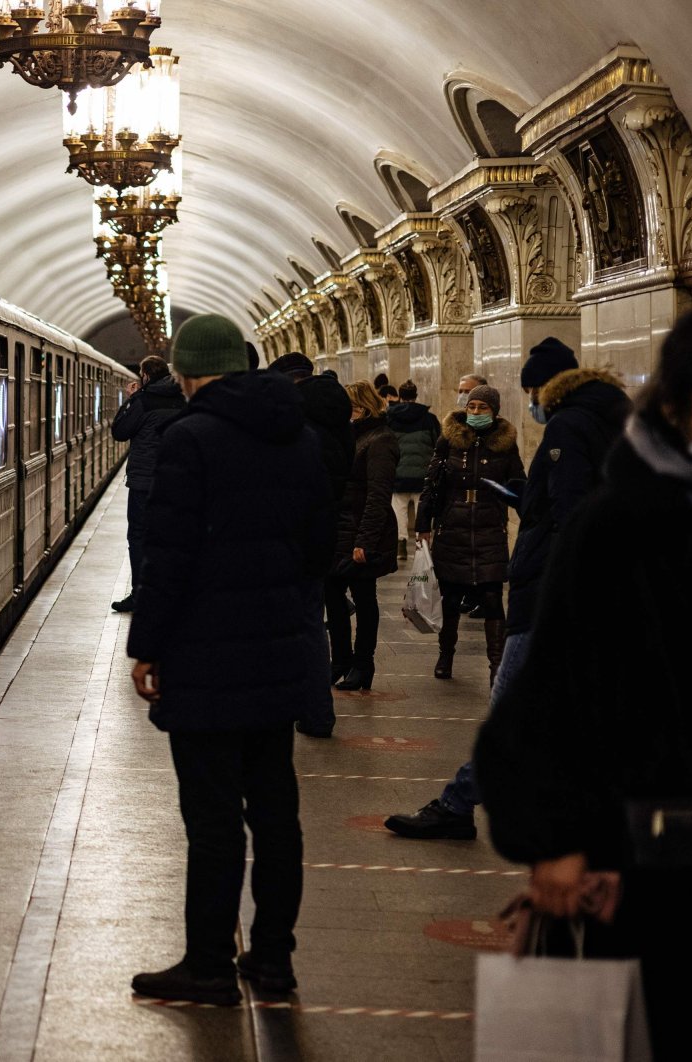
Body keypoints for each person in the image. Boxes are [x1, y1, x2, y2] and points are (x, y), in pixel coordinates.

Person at [475, 309, 692, 1057]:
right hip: (645, 862)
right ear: (678, 406)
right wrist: (557, 839)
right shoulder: (621, 527)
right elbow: (561, 694)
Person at [127, 315, 332, 1006]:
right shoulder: (300, 438)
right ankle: (273, 959)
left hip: (207, 659)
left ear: (187, 373)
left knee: (213, 820)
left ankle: (210, 963)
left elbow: (169, 558)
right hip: (278, 656)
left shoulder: (190, 439)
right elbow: (318, 551)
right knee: (276, 812)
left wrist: (147, 646)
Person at [386, 338, 628, 840]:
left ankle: (459, 806)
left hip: (550, 590)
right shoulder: (615, 421)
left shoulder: (568, 425)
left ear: (544, 385)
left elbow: (570, 514)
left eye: (530, 389)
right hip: (593, 590)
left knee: (510, 706)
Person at [266, 351, 352, 737]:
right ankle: (318, 713)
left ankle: (294, 709)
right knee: (312, 626)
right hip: (324, 530)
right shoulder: (337, 415)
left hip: (290, 535)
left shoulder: (297, 422)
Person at [415, 384, 525, 684]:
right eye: (472, 406)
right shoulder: (449, 440)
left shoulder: (504, 444)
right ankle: (445, 654)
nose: (475, 412)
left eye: (482, 408)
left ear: (494, 411)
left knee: (492, 599)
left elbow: (518, 484)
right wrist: (423, 525)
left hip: (490, 529)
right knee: (450, 598)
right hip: (453, 529)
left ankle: (496, 667)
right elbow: (432, 484)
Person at [328, 381, 400, 691]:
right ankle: (340, 659)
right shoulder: (348, 437)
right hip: (339, 529)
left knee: (364, 597)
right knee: (332, 596)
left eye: (350, 407)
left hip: (361, 530)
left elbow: (378, 494)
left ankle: (363, 663)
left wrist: (365, 541)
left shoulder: (380, 439)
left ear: (363, 407)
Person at [110, 355, 187, 611]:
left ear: (144, 376)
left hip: (144, 482)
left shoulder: (142, 401)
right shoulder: (182, 399)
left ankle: (141, 593)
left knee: (140, 536)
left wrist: (131, 399)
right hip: (175, 480)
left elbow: (119, 432)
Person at [385, 380, 440, 562]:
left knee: (398, 509)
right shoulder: (429, 419)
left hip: (398, 474)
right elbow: (437, 444)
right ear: (416, 396)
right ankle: (421, 545)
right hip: (423, 475)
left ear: (400, 397)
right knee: (422, 509)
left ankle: (401, 545)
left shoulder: (390, 418)